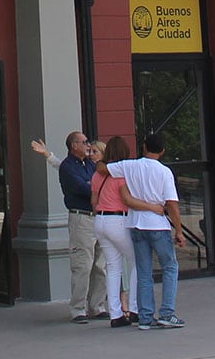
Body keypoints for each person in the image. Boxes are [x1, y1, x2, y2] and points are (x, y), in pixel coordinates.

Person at [31, 132, 108, 322]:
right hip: (81, 218)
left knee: (101, 265)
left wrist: (94, 184)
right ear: (74, 145)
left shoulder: (90, 164)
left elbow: (99, 182)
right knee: (83, 264)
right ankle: (78, 308)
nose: (88, 145)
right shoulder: (68, 166)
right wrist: (94, 185)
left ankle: (97, 306)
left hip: (98, 217)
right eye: (84, 142)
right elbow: (84, 188)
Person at [112, 132, 186, 330]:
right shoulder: (164, 172)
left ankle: (145, 317)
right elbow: (171, 204)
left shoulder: (130, 166)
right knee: (170, 267)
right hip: (158, 224)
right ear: (162, 151)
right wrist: (178, 231)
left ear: (144, 147)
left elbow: (104, 168)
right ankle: (167, 313)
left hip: (135, 222)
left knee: (144, 272)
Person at [91, 136, 155, 328]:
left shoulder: (97, 175)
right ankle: (134, 308)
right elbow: (127, 199)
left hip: (100, 221)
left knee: (113, 266)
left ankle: (116, 314)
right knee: (137, 260)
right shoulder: (122, 174)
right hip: (118, 220)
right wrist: (151, 207)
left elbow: (93, 202)